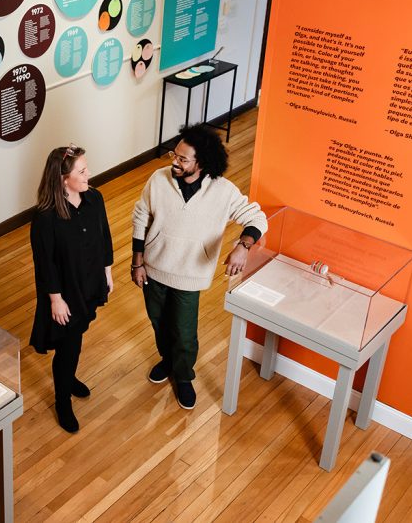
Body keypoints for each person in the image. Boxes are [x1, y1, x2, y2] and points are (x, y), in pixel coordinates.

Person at [130, 124, 267, 410]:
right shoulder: (158, 179)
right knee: (159, 323)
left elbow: (257, 219)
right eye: (174, 156)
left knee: (183, 330)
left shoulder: (224, 191)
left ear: (201, 163)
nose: (175, 162)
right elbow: (141, 215)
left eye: (183, 159)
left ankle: (182, 376)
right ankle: (168, 362)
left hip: (190, 275)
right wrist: (137, 261)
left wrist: (243, 246)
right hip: (154, 268)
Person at [30, 143, 114, 433]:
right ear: (64, 178)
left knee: (77, 335)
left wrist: (107, 271)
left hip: (89, 282)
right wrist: (55, 299)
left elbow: (104, 236)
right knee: (67, 346)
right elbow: (45, 263)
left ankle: (69, 377)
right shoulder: (45, 217)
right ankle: (62, 400)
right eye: (82, 171)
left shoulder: (95, 198)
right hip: (63, 293)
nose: (88, 174)